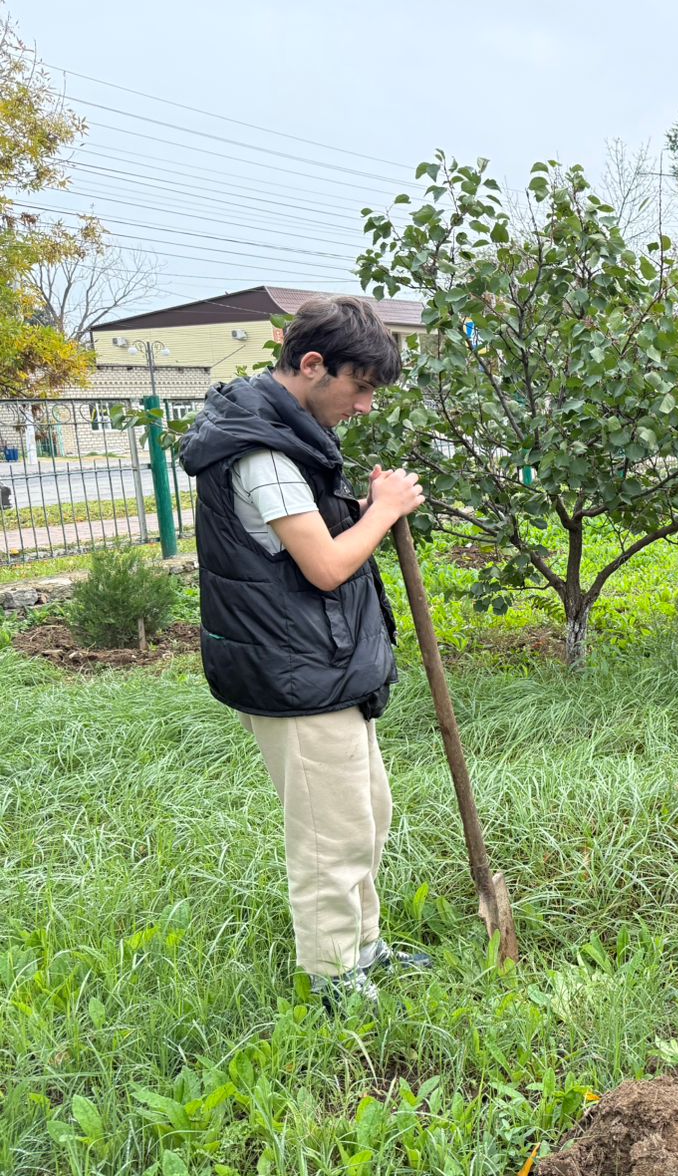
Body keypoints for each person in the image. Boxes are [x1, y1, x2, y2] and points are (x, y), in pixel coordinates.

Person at [179, 295, 429, 1007]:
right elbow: (323, 567)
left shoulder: (283, 432)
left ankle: (365, 947)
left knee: (366, 812)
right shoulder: (261, 452)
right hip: (294, 669)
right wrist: (383, 512)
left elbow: (292, 548)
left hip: (315, 659)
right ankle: (334, 980)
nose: (367, 406)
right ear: (312, 365)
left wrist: (357, 508)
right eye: (361, 387)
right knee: (331, 836)